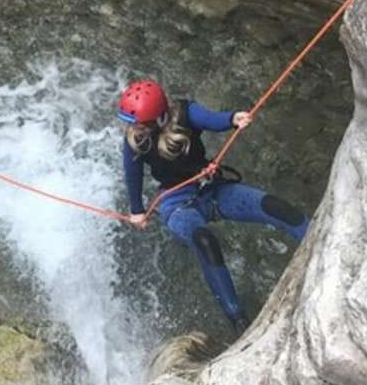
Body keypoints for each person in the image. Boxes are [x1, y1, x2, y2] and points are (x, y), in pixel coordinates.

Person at [118, 79, 310, 333]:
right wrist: (137, 210)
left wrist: (233, 119)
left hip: (211, 188)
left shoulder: (185, 114)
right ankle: (238, 320)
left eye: (143, 124)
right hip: (177, 204)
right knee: (206, 242)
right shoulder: (135, 140)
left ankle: (317, 235)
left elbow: (212, 119)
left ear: (161, 118)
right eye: (136, 124)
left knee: (273, 206)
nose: (137, 129)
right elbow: (133, 176)